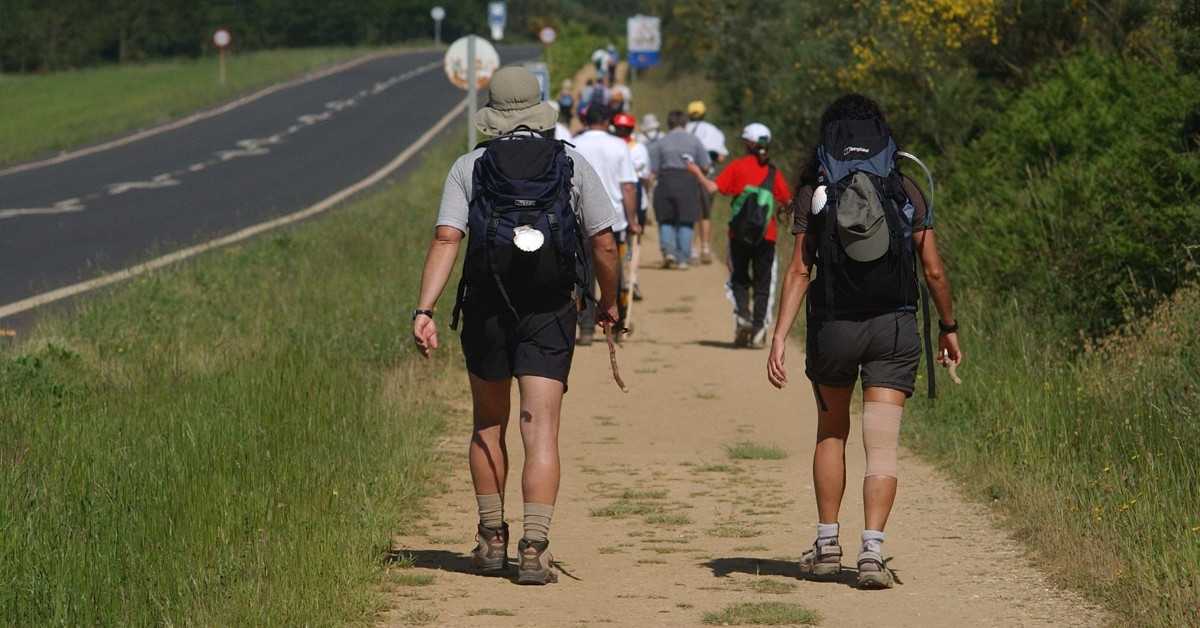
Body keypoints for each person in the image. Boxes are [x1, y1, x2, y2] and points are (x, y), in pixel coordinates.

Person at [412, 66, 621, 586]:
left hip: (486, 308)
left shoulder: (470, 165)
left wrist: (425, 310)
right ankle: (534, 547)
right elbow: (604, 243)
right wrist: (610, 302)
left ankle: (491, 539)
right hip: (550, 310)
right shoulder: (570, 163)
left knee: (488, 422)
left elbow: (446, 239)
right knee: (540, 428)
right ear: (539, 109)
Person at [767, 94, 963, 589]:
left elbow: (799, 270)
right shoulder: (905, 188)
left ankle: (827, 544)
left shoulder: (815, 190)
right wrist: (948, 326)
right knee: (882, 444)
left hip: (833, 328)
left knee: (831, 432)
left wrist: (779, 336)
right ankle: (872, 553)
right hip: (893, 328)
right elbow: (934, 271)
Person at [686, 122, 791, 348]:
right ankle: (758, 332)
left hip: (738, 235)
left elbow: (712, 188)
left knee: (739, 279)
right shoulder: (773, 172)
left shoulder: (737, 167)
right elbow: (786, 201)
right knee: (763, 284)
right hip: (766, 236)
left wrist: (696, 173)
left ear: (747, 144)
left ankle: (743, 316)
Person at [570, 104, 641, 343]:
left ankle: (585, 327)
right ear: (607, 122)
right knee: (613, 269)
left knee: (584, 272)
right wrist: (633, 220)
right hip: (613, 219)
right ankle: (616, 322)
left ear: (585, 121)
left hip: (579, 218)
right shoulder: (619, 145)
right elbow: (628, 187)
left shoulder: (573, 144)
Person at [648, 110, 711, 269]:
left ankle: (668, 252)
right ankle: (682, 258)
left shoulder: (661, 142)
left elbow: (654, 170)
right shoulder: (695, 141)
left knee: (666, 219)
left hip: (666, 182)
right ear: (684, 123)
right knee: (686, 221)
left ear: (669, 123)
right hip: (688, 183)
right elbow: (705, 165)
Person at [612, 112, 652, 305]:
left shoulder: (612, 145)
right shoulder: (639, 149)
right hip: (633, 199)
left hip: (618, 199)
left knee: (622, 242)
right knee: (632, 241)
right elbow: (645, 177)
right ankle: (630, 277)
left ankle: (627, 278)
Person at [685, 100, 729, 265]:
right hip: (708, 177)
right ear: (704, 114)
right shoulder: (714, 131)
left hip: (689, 175)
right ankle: (705, 248)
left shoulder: (685, 129)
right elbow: (721, 157)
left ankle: (692, 249)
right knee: (706, 212)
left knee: (692, 213)